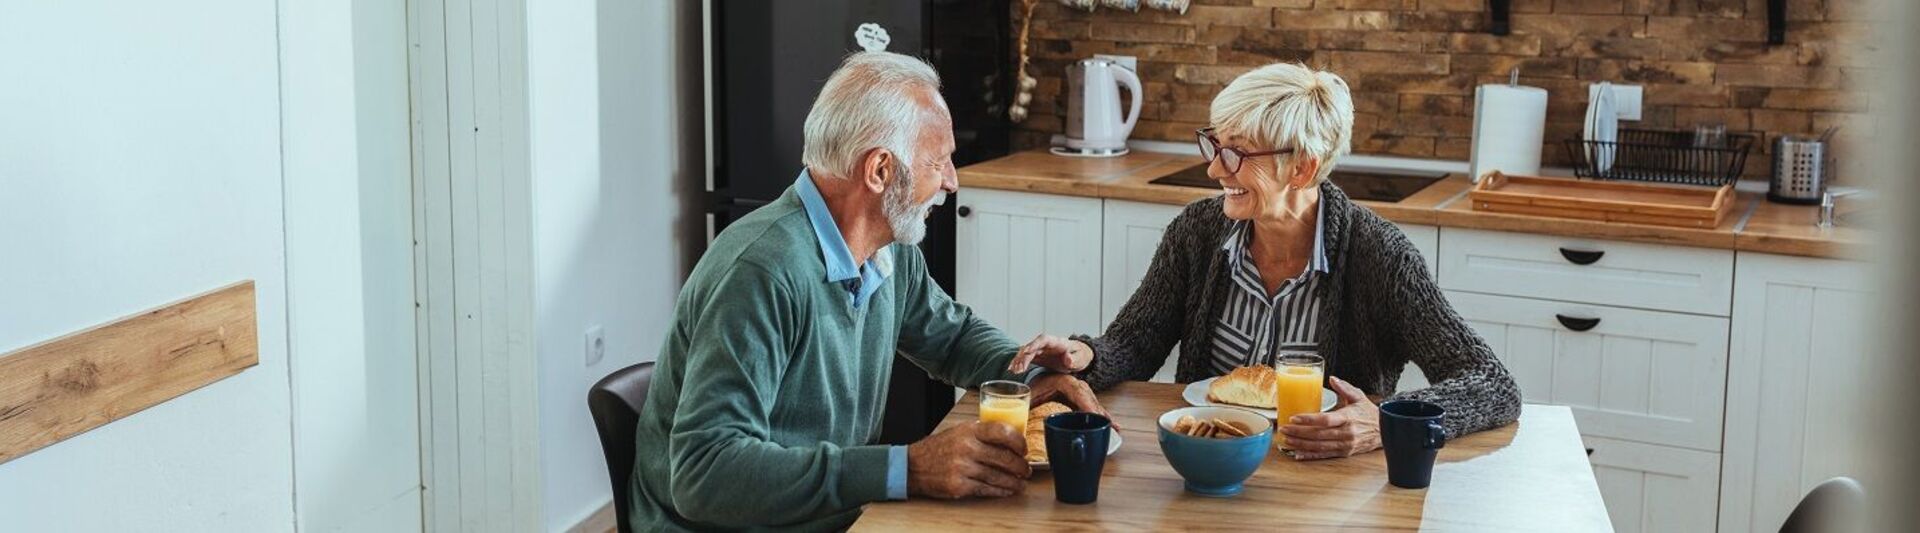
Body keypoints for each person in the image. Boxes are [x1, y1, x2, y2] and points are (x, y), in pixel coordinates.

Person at [626, 51, 1107, 531]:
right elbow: (703, 474)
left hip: (835, 518)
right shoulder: (761, 272)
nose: (952, 182)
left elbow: (953, 338)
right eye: (938, 162)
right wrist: (907, 467)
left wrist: (1029, 373)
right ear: (879, 171)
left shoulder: (886, 253)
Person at [1008, 62, 1521, 460]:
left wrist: (1385, 421)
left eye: (1236, 153)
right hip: (1207, 463)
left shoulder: (1379, 256)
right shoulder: (1199, 231)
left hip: (1325, 489)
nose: (1213, 168)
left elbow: (1491, 383)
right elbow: (1135, 343)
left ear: (1302, 167)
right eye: (1214, 144)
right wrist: (1085, 355)